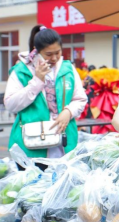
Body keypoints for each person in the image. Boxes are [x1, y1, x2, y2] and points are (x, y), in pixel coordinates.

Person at [5, 25, 88, 160]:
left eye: (58, 52)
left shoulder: (68, 69)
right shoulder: (21, 70)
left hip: (64, 140)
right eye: (49, 54)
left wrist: (68, 112)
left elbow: (80, 99)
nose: (54, 58)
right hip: (32, 142)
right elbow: (11, 105)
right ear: (37, 51)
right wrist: (37, 81)